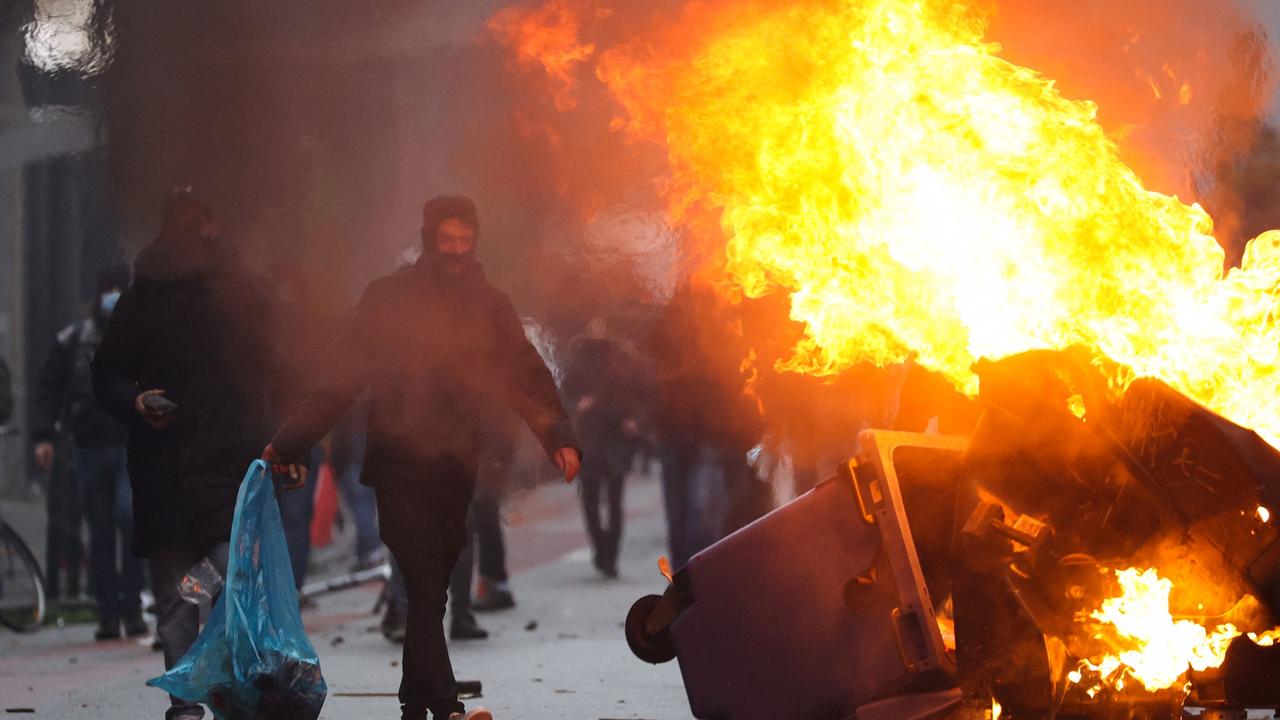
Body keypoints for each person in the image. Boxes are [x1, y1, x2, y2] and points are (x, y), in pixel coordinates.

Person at [264, 195, 581, 720]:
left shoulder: (488, 305)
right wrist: (292, 437)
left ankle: (417, 704)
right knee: (425, 588)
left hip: (455, 466)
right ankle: (448, 707)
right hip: (398, 464)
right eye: (447, 241)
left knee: (431, 592)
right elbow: (342, 378)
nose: (457, 252)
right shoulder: (389, 300)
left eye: (465, 241)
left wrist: (559, 437)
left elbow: (522, 374)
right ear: (430, 238)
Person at [92, 190, 306, 720]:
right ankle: (184, 703)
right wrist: (136, 402)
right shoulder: (142, 299)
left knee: (215, 578)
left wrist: (294, 442)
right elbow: (107, 374)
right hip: (164, 471)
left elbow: (282, 374)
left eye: (200, 225)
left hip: (232, 467)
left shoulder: (246, 295)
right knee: (177, 597)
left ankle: (221, 688)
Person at [33, 264, 148, 641]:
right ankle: (109, 611)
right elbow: (50, 388)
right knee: (99, 532)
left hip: (128, 444)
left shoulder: (140, 337)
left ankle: (131, 605)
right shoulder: (73, 339)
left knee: (129, 519)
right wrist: (43, 435)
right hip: (88, 446)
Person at [562, 318, 648, 577]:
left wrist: (634, 420)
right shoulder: (577, 358)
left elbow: (642, 394)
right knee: (589, 500)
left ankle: (611, 555)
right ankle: (600, 547)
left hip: (615, 440)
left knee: (613, 501)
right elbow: (564, 393)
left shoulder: (624, 359)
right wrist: (577, 405)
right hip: (588, 439)